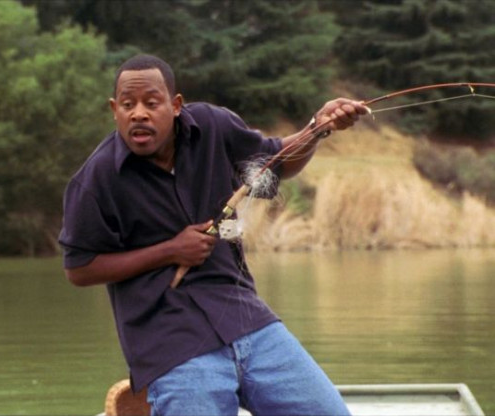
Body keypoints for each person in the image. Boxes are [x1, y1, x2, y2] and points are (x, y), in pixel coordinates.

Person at [58, 54, 367, 415]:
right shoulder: (96, 180)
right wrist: (171, 251)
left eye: (151, 103)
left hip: (248, 322)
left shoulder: (213, 126)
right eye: (128, 105)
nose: (138, 113)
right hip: (172, 346)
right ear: (115, 110)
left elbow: (276, 162)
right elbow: (79, 269)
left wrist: (317, 128)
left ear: (175, 105)